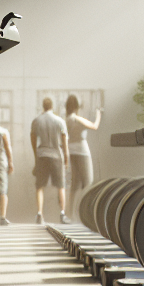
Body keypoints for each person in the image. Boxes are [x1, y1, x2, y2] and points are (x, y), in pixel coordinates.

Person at [30, 97, 69, 225]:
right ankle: (62, 214)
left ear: (43, 106)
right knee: (61, 186)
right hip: (56, 155)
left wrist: (36, 156)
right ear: (52, 106)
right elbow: (64, 142)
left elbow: (33, 138)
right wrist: (66, 158)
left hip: (42, 154)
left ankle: (40, 214)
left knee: (39, 187)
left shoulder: (36, 121)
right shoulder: (59, 121)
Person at [65, 95, 101, 212]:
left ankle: (71, 211)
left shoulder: (66, 120)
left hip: (71, 151)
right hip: (82, 151)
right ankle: (87, 211)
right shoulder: (76, 118)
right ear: (76, 106)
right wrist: (98, 114)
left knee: (75, 183)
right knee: (88, 181)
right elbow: (94, 126)